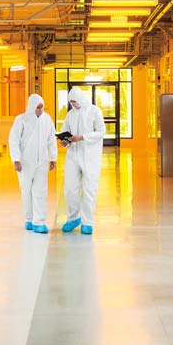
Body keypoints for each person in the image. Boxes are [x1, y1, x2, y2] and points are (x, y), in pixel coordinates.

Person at [59, 86, 106, 235]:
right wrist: (64, 141)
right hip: (73, 154)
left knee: (89, 189)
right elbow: (64, 129)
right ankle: (74, 218)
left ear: (81, 98)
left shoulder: (94, 111)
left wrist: (82, 137)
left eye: (75, 101)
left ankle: (87, 222)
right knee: (70, 188)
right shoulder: (70, 114)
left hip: (90, 156)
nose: (74, 104)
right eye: (71, 102)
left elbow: (101, 132)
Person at [8, 93, 57, 233]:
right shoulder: (21, 119)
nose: (40, 110)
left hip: (42, 160)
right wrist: (16, 159)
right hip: (25, 162)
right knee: (26, 190)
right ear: (31, 106)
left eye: (42, 107)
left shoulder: (47, 119)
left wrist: (53, 158)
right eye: (38, 107)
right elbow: (14, 140)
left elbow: (51, 139)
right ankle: (29, 218)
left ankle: (39, 221)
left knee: (40, 191)